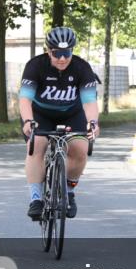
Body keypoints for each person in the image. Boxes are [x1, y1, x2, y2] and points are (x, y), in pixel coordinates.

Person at [19, 27, 100, 220]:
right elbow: (25, 100)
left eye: (67, 53)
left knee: (80, 148)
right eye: (57, 54)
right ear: (48, 51)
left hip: (72, 114)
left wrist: (93, 123)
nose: (62, 59)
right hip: (40, 114)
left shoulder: (82, 68)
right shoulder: (35, 66)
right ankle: (36, 199)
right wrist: (28, 121)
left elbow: (89, 101)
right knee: (36, 145)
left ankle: (69, 192)